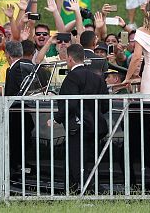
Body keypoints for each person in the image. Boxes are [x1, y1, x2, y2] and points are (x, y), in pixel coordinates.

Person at [52, 44, 109, 192]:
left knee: (77, 164)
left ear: (69, 59)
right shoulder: (97, 78)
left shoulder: (72, 77)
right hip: (95, 127)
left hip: (77, 127)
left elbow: (70, 103)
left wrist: (56, 118)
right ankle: (73, 190)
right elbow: (105, 106)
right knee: (87, 162)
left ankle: (96, 190)